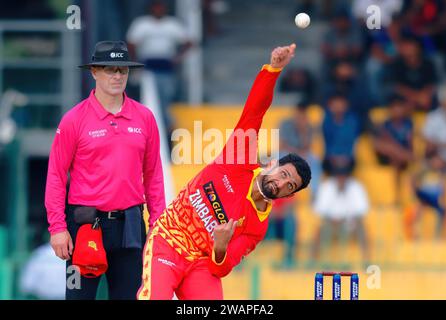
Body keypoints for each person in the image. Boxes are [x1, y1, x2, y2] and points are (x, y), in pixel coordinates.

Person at [137, 44, 311, 300]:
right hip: (170, 239)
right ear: (273, 165)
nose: (282, 184)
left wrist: (220, 246)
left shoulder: (257, 226)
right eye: (284, 175)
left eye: (290, 186)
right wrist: (273, 70)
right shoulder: (239, 158)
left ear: (289, 195)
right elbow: (255, 111)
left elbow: (223, 266)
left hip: (202, 263)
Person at [45, 40, 166, 300]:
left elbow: (154, 174)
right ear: (94, 72)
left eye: (123, 70)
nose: (117, 75)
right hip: (85, 226)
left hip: (131, 226)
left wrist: (158, 224)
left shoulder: (144, 117)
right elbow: (56, 174)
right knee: (78, 297)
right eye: (110, 69)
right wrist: (57, 227)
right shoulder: (74, 120)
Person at [126, 0, 193, 148]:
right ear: (151, 8)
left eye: (161, 6)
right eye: (156, 6)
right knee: (147, 102)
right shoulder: (142, 24)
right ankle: (146, 137)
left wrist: (178, 58)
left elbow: (189, 42)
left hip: (166, 70)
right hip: (147, 70)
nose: (159, 9)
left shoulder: (172, 24)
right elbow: (131, 43)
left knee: (164, 103)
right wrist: (136, 62)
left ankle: (167, 140)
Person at [311, 158, 370, 263]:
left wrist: (347, 221)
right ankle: (313, 262)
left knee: (362, 227)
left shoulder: (356, 187)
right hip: (330, 224)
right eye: (339, 175)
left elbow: (361, 211)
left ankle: (366, 261)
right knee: (318, 231)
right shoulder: (326, 186)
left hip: (350, 225)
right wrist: (334, 221)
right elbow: (319, 210)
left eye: (344, 175)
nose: (341, 179)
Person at [372, 94, 414, 204]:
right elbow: (379, 145)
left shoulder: (408, 124)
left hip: (403, 157)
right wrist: (396, 150)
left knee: (397, 155)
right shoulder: (385, 125)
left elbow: (410, 144)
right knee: (386, 147)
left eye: (399, 107)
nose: (397, 110)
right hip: (388, 157)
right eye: (394, 108)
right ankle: (397, 195)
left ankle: (399, 196)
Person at [322, 92, 360, 175]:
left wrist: (346, 157)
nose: (338, 107)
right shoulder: (326, 121)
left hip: (348, 158)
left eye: (340, 104)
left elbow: (352, 142)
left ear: (346, 105)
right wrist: (334, 157)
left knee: (346, 167)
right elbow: (327, 143)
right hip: (331, 158)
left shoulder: (352, 121)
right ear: (330, 106)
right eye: (335, 104)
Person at [422, 84, 446, 166]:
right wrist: (442, 145)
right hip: (438, 159)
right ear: (442, 103)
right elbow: (428, 143)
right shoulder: (433, 117)